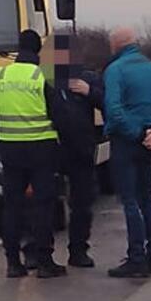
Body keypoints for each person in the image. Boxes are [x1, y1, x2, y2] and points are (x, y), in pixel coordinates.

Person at [0, 30, 66, 278]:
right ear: (38, 51)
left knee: (12, 205)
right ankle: (43, 261)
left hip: (10, 149)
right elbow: (60, 115)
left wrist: (5, 132)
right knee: (42, 204)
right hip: (41, 149)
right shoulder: (42, 77)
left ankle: (13, 262)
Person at [103, 27, 151, 277]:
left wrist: (135, 133)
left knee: (130, 200)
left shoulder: (115, 70)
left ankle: (136, 258)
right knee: (148, 197)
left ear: (116, 45)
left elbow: (113, 109)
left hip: (127, 141)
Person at [49, 63, 104, 268]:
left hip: (80, 150)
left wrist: (90, 92)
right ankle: (40, 253)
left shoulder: (86, 78)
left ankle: (78, 250)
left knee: (82, 203)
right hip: (52, 148)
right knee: (44, 202)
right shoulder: (42, 78)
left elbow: (108, 102)